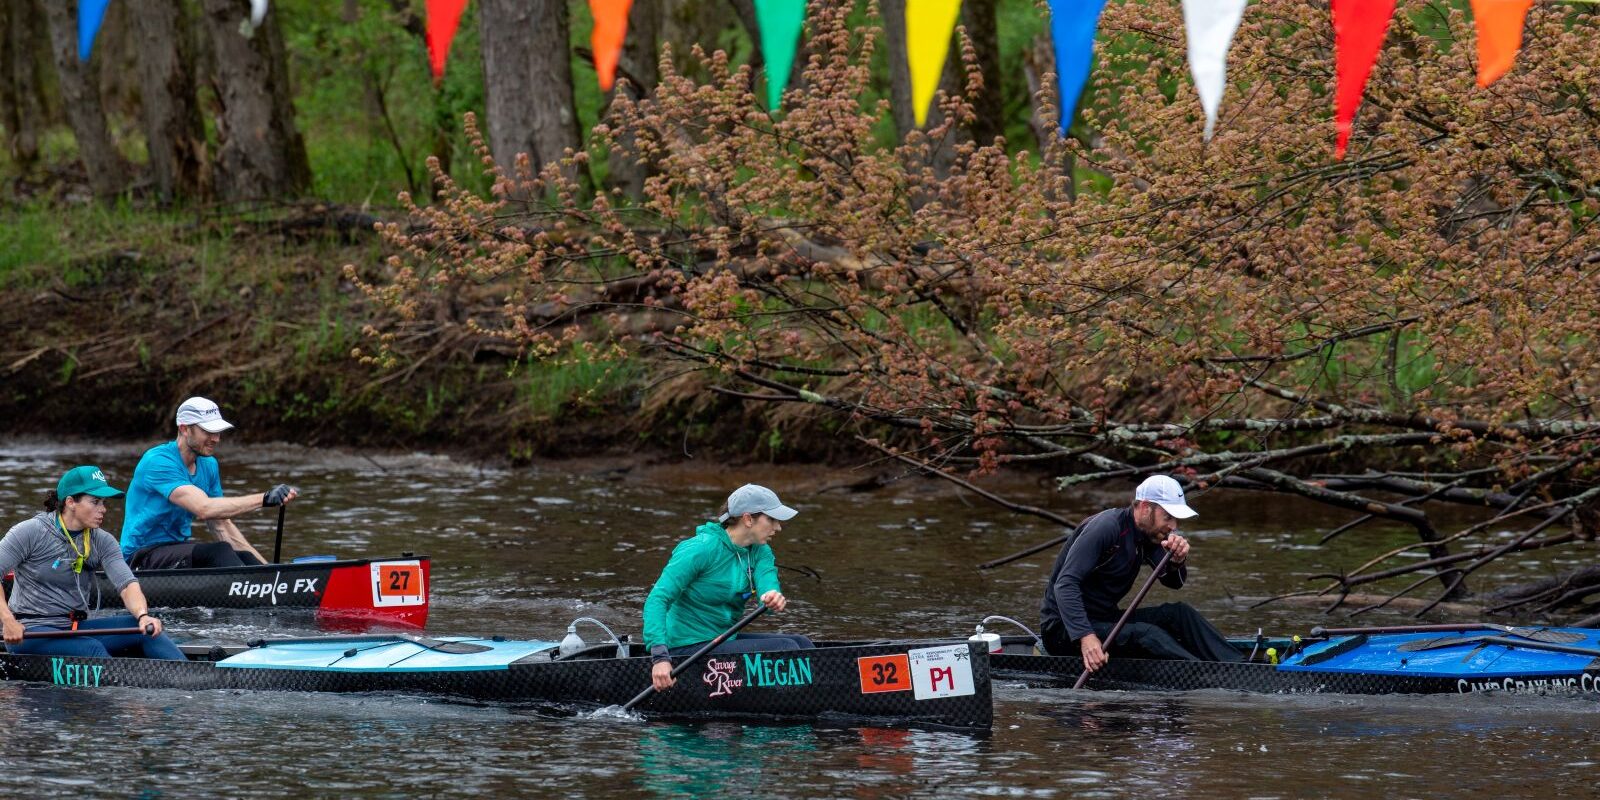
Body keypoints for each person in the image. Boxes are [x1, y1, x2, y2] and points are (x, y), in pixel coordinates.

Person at [1040, 474, 1242, 670]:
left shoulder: (1150, 535)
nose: (1173, 526)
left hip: (1105, 620)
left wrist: (1176, 562)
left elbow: (1174, 583)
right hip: (1064, 631)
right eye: (1168, 517)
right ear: (1145, 508)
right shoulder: (1107, 527)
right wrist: (1086, 637)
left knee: (1180, 613)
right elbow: (1065, 584)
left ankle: (1240, 666)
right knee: (1148, 635)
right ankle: (1203, 675)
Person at [1, 466, 184, 659]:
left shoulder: (102, 540)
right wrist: (8, 620)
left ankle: (191, 674)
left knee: (145, 630)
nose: (103, 509)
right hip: (29, 631)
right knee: (91, 649)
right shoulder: (30, 532)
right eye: (95, 502)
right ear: (71, 502)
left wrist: (143, 616)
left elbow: (127, 584)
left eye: (103, 502)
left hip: (74, 626)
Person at [644, 484, 814, 691]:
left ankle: (822, 692)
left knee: (802, 643)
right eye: (772, 519)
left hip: (722, 641)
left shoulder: (761, 551)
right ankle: (802, 696)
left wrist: (771, 597)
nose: (778, 527)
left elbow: (767, 583)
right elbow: (657, 599)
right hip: (685, 649)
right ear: (748, 519)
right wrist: (660, 657)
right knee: (785, 649)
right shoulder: (700, 549)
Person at [120, 396, 297, 569]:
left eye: (217, 432)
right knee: (218, 552)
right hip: (140, 557)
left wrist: (269, 571)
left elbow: (221, 525)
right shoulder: (158, 461)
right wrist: (264, 498)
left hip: (175, 550)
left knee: (244, 556)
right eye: (208, 431)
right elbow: (204, 508)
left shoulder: (209, 464)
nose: (216, 439)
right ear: (184, 429)